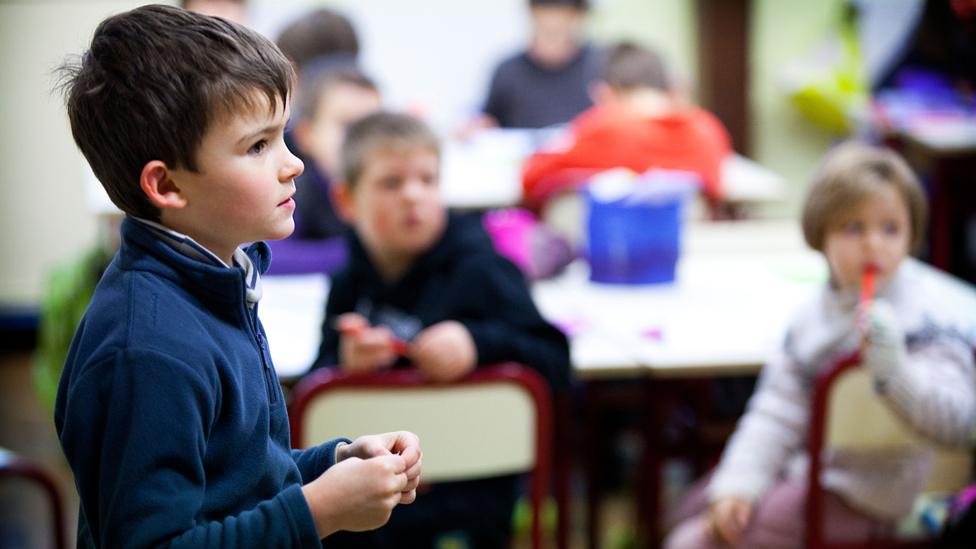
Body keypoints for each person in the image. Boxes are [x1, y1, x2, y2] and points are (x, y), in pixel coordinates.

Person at [53, 6, 421, 546]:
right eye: (258, 145)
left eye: (283, 136)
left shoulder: (218, 280)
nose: (292, 163)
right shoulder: (147, 350)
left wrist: (335, 461)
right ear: (169, 187)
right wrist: (318, 510)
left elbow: (235, 477)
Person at [664, 141, 976, 548]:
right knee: (689, 506)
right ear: (820, 234)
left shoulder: (930, 318)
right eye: (853, 228)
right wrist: (738, 486)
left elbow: (960, 421)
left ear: (912, 234)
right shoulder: (812, 318)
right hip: (814, 477)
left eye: (890, 228)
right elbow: (775, 414)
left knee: (695, 540)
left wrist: (893, 371)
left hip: (887, 500)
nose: (873, 245)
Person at [313, 111, 571, 548]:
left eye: (428, 180)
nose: (414, 195)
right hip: (373, 499)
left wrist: (477, 344)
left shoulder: (483, 269)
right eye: (391, 183)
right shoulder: (347, 283)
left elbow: (556, 361)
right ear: (346, 200)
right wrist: (345, 364)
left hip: (473, 497)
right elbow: (314, 400)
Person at [520, 41, 732, 212]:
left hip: (610, 253)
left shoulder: (605, 128)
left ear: (605, 92)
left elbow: (531, 177)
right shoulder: (707, 127)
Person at [266, 65, 383, 274]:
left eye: (374, 127)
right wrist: (365, 250)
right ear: (306, 134)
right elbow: (268, 253)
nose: (363, 140)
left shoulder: (390, 188)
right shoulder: (294, 188)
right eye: (347, 125)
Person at [470, 0, 602, 131]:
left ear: (579, 15)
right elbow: (488, 122)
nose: (553, 22)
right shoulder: (507, 72)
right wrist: (478, 128)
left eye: (563, 13)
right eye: (546, 11)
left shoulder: (600, 66)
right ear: (532, 12)